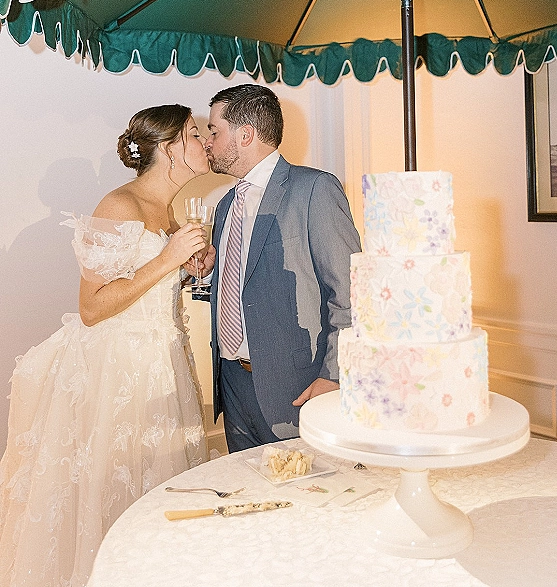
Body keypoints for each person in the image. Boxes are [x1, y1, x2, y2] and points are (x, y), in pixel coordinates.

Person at [0, 104, 213, 587]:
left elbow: (149, 284)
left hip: (164, 360)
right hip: (120, 369)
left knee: (158, 490)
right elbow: (93, 306)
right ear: (171, 149)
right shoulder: (119, 205)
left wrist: (188, 267)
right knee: (116, 491)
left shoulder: (168, 209)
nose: (204, 143)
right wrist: (167, 262)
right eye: (195, 135)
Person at [205, 84, 361, 452]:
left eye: (214, 130)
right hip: (232, 384)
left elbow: (354, 293)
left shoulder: (315, 190)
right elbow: (242, 287)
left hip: (297, 385)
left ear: (246, 135)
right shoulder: (226, 205)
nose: (208, 141)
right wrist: (205, 274)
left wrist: (336, 375)